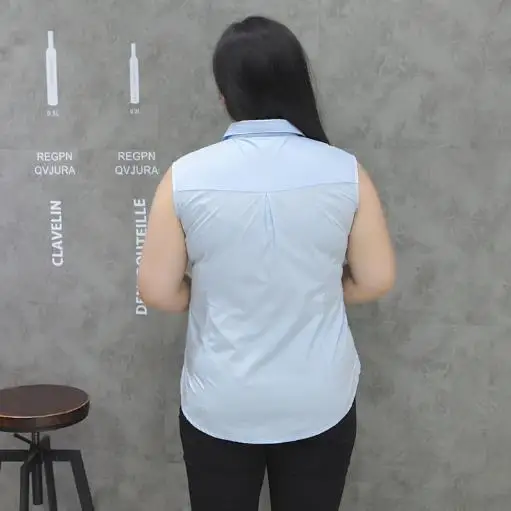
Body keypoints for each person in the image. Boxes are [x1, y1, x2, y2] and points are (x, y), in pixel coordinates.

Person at [138, 15, 395, 511]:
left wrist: (211, 291)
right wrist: (317, 287)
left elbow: (158, 290)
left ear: (225, 96)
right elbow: (377, 278)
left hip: (221, 400)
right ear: (297, 84)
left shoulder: (183, 177)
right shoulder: (346, 172)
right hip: (318, 398)